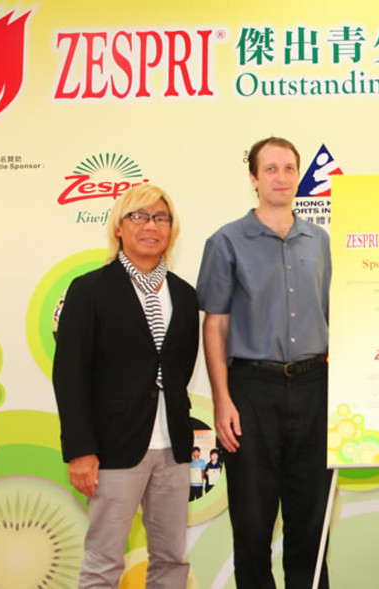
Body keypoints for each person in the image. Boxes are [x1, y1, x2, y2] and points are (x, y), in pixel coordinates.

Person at [197, 136, 332, 588]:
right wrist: (222, 401)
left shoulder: (320, 240)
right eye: (271, 169)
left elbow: (333, 315)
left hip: (315, 387)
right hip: (251, 392)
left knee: (311, 520)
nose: (282, 177)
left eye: (289, 168)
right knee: (252, 524)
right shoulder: (226, 241)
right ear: (254, 179)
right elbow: (214, 325)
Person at [53, 184, 199, 587]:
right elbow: (69, 374)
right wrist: (81, 450)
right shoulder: (90, 290)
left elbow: (179, 370)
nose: (151, 226)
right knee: (103, 562)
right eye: (139, 216)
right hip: (112, 447)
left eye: (161, 218)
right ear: (119, 227)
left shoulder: (185, 296)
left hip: (173, 447)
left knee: (171, 559)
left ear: (171, 229)